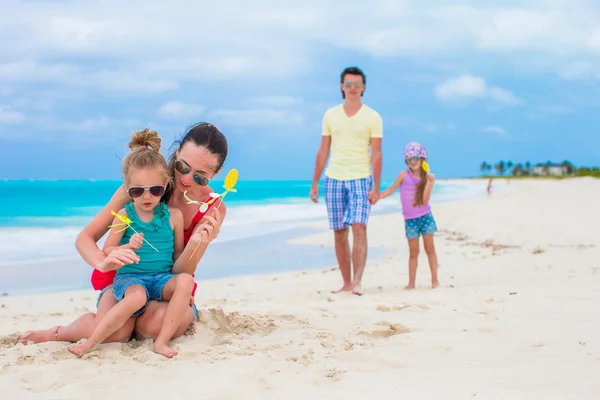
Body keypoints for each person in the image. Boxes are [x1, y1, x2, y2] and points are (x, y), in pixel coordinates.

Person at [18, 123, 228, 347]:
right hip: (128, 282)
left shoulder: (213, 208)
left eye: (201, 177)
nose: (186, 179)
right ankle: (60, 332)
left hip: (166, 288)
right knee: (116, 334)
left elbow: (180, 270)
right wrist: (103, 262)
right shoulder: (142, 186)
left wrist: (197, 244)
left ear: (215, 174)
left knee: (152, 328)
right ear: (176, 153)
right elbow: (85, 238)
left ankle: (127, 324)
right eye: (182, 166)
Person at [67, 129, 191, 358]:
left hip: (161, 279)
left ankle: (161, 342)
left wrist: (182, 289)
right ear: (127, 189)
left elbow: (178, 256)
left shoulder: (174, 216)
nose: (146, 197)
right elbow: (108, 250)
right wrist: (128, 247)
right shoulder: (124, 215)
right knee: (137, 297)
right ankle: (91, 342)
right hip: (131, 278)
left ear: (165, 184)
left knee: (185, 281)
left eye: (155, 190)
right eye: (137, 190)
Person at [309, 66, 383, 296]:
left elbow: (377, 153)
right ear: (342, 86)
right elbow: (323, 150)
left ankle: (358, 282)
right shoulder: (330, 115)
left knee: (359, 227)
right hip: (333, 179)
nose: (353, 88)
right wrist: (315, 183)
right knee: (339, 232)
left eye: (357, 85)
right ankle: (346, 283)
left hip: (361, 178)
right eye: (348, 84)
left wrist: (377, 187)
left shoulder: (373, 116)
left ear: (364, 88)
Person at [380, 142, 439, 289]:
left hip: (426, 217)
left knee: (430, 250)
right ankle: (411, 283)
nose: (412, 162)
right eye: (409, 159)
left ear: (422, 159)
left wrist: (430, 185)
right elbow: (390, 190)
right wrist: (376, 196)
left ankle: (434, 281)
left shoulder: (427, 178)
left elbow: (424, 201)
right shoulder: (403, 175)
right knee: (413, 253)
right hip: (410, 220)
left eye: (415, 159)